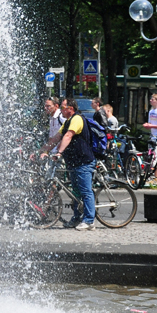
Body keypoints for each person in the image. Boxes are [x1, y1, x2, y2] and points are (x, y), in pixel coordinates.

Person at [40, 98, 96, 231]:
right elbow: (56, 138)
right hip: (74, 162)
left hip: (83, 161)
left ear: (70, 109)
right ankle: (77, 218)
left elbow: (68, 136)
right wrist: (43, 150)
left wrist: (59, 152)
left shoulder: (77, 119)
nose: (61, 110)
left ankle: (89, 221)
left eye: (63, 107)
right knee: (76, 192)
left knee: (85, 191)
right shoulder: (66, 123)